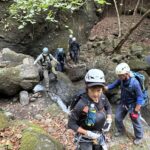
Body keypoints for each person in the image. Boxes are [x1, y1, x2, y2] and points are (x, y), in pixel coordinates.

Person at [68, 69, 112, 150]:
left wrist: (109, 119)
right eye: (92, 90)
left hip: (99, 133)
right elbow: (71, 124)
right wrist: (87, 133)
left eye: (98, 90)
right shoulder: (81, 104)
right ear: (87, 88)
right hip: (85, 137)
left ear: (102, 89)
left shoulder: (102, 97)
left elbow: (108, 107)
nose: (95, 94)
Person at [105, 62, 144, 145]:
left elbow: (140, 97)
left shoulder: (135, 83)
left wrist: (136, 110)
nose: (118, 77)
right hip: (123, 103)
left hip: (133, 105)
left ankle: (139, 137)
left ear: (126, 74)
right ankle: (121, 131)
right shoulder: (121, 79)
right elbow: (114, 84)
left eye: (120, 75)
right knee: (118, 118)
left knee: (136, 121)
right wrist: (106, 88)